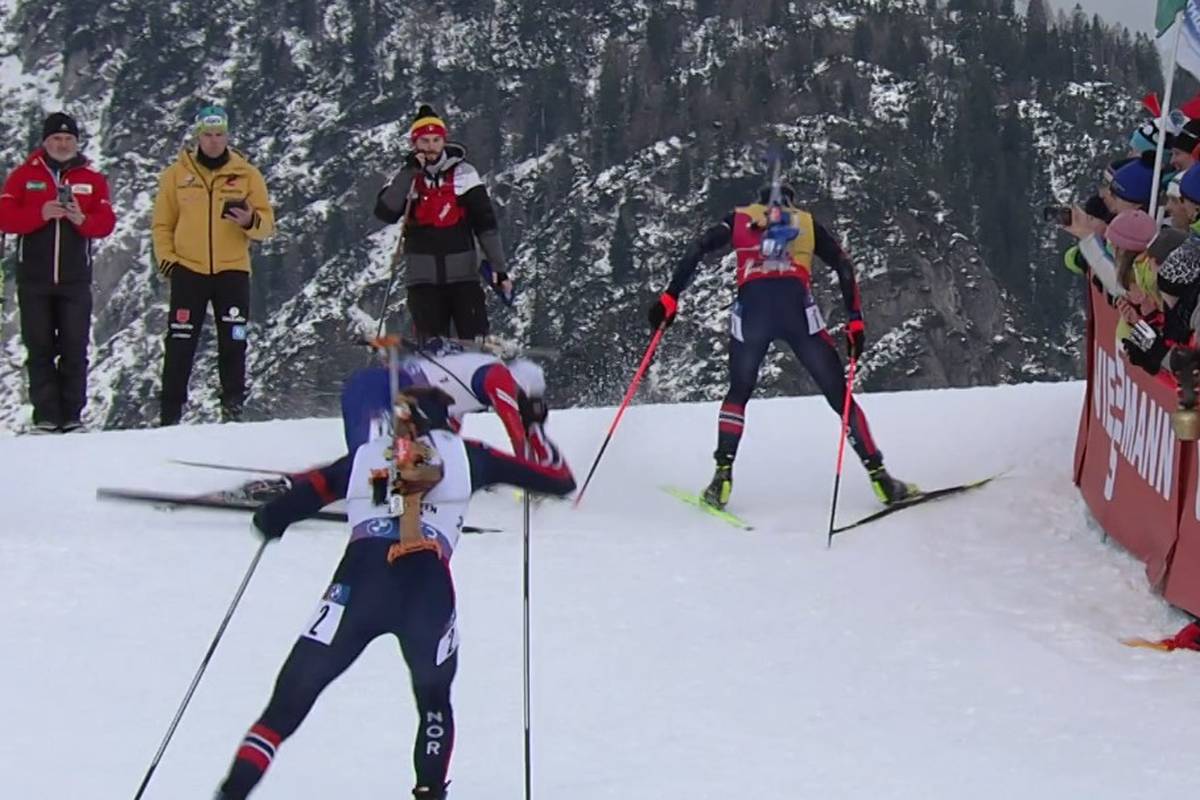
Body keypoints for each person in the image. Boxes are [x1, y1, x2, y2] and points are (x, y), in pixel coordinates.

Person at [213, 359, 576, 800]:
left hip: (358, 583)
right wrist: (534, 429)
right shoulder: (471, 457)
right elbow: (560, 481)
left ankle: (232, 793)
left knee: (285, 707)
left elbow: (286, 507)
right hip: (426, 589)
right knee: (434, 704)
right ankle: (428, 791)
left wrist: (272, 521)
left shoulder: (365, 456)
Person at [647, 182, 916, 509]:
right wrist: (855, 321)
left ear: (759, 201)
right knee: (838, 396)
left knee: (738, 392)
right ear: (791, 202)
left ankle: (721, 476)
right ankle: (881, 478)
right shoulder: (806, 222)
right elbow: (843, 265)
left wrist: (670, 296)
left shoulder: (739, 218)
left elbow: (698, 248)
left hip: (752, 312)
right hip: (797, 310)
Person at [152, 105, 275, 425]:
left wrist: (250, 220)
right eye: (208, 135)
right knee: (180, 342)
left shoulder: (247, 174)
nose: (214, 141)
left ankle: (232, 409)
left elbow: (267, 227)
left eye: (220, 134)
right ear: (197, 137)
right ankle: (170, 415)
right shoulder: (176, 176)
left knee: (234, 340)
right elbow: (162, 225)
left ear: (228, 136)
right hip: (188, 270)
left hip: (232, 270)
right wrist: (168, 263)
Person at [0, 112, 116, 432]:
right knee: (39, 348)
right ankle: (46, 416)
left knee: (74, 347)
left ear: (77, 143)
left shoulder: (92, 179)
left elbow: (105, 223)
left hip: (75, 279)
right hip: (33, 279)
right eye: (56, 139)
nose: (62, 144)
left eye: (68, 139)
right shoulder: (23, 176)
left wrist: (80, 219)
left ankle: (72, 416)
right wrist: (40, 213)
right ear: (45, 142)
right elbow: (5, 217)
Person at [374, 105, 511, 340]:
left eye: (436, 140)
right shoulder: (405, 177)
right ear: (414, 144)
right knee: (432, 346)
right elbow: (385, 212)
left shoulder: (464, 173)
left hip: (464, 277)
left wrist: (499, 268)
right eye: (424, 141)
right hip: (422, 281)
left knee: (475, 339)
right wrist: (408, 173)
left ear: (443, 141)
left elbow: (485, 223)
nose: (430, 147)